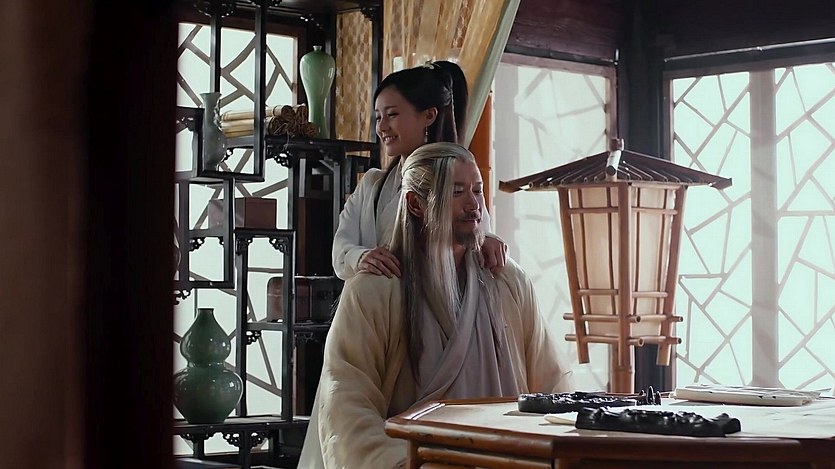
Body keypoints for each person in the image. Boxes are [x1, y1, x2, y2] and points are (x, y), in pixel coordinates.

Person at [305, 142, 574, 468]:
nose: (474, 205)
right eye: (457, 192)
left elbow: (550, 385)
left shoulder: (506, 279)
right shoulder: (374, 292)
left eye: (477, 190)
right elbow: (346, 406)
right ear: (416, 204)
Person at [331, 60, 508, 280]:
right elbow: (341, 246)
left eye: (392, 115)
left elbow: (477, 235)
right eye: (378, 117)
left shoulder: (457, 181)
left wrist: (487, 241)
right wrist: (360, 257)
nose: (382, 127)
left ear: (429, 115)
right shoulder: (372, 183)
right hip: (373, 298)